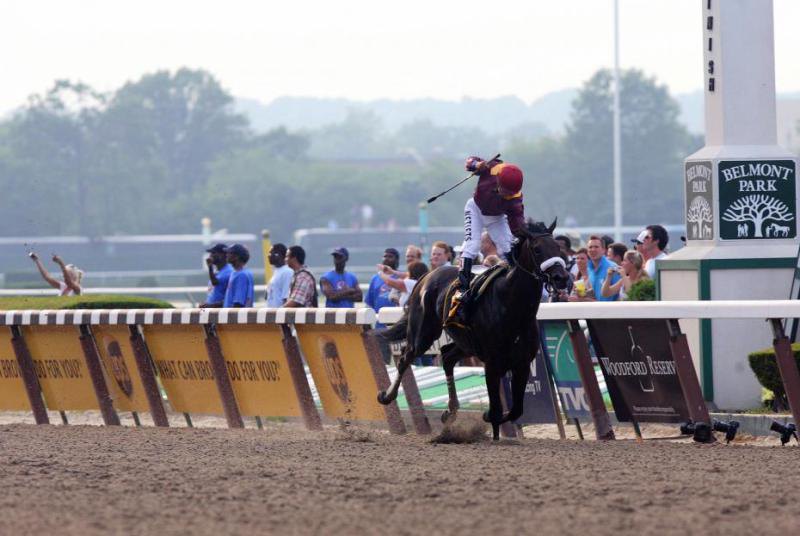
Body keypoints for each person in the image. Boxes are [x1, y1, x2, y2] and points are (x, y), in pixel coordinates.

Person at [458, 156, 526, 292]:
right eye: (504, 191)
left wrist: (522, 238)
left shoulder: (516, 201)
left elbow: (517, 226)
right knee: (472, 245)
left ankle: (517, 281)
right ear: (498, 179)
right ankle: (462, 287)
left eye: (509, 193)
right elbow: (469, 162)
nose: (505, 195)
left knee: (507, 245)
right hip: (475, 209)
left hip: (496, 218)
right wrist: (477, 165)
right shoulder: (493, 167)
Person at [585, 235, 621, 302]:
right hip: (593, 311)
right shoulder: (588, 268)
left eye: (596, 247)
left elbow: (620, 293)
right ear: (587, 251)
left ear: (603, 250)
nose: (593, 249)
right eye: (590, 247)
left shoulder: (613, 267)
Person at [222, 244, 254, 308]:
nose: (226, 255)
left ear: (236, 257)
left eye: (229, 253)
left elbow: (238, 303)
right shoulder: (237, 272)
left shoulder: (241, 275)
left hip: (235, 316)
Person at [200, 243, 231, 308]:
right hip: (213, 311)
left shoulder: (229, 271)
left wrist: (211, 305)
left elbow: (215, 283)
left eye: (213, 253)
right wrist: (207, 303)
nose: (210, 255)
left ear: (222, 255)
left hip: (222, 312)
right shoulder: (217, 271)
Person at [265, 243, 293, 307]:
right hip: (272, 314)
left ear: (279, 255)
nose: (268, 255)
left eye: (271, 253)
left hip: (280, 314)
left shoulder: (287, 272)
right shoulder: (277, 271)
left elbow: (286, 298)